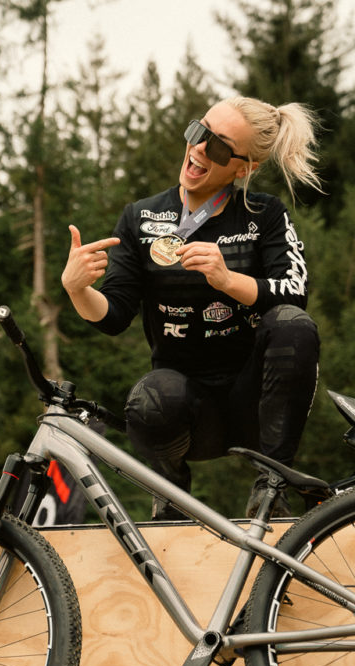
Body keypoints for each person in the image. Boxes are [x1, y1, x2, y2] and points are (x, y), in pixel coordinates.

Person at [61, 96, 322, 520]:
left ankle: (272, 487)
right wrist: (77, 290)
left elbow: (295, 293)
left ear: (244, 169)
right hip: (186, 409)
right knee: (148, 398)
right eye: (198, 131)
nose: (199, 148)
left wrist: (228, 280)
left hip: (257, 405)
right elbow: (113, 315)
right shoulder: (141, 217)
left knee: (294, 325)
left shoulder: (266, 214)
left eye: (217, 146)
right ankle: (170, 497)